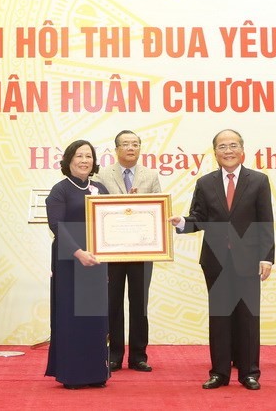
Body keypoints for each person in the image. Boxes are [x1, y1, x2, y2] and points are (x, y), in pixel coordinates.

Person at [169, 129, 274, 391]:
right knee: (220, 317)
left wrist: (267, 258)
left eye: (233, 145)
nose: (228, 151)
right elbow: (199, 218)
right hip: (215, 260)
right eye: (222, 146)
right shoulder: (205, 183)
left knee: (248, 317)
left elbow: (265, 222)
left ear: (242, 150)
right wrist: (182, 223)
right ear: (214, 152)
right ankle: (219, 373)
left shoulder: (258, 181)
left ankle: (249, 373)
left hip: (249, 260)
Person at [93, 130, 161, 373]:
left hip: (142, 250)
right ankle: (113, 355)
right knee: (112, 303)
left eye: (135, 144)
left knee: (139, 304)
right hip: (111, 251)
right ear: (116, 149)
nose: (130, 148)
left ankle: (138, 356)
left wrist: (139, 204)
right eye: (125, 144)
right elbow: (96, 209)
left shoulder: (150, 175)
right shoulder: (101, 174)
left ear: (140, 148)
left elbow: (157, 210)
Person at [45, 140, 110, 389]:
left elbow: (109, 224)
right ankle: (72, 374)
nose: (84, 160)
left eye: (89, 156)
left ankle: (96, 373)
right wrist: (78, 252)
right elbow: (57, 226)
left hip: (96, 260)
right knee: (71, 315)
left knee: (95, 316)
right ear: (69, 160)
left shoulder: (100, 188)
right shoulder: (60, 190)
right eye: (79, 155)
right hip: (69, 259)